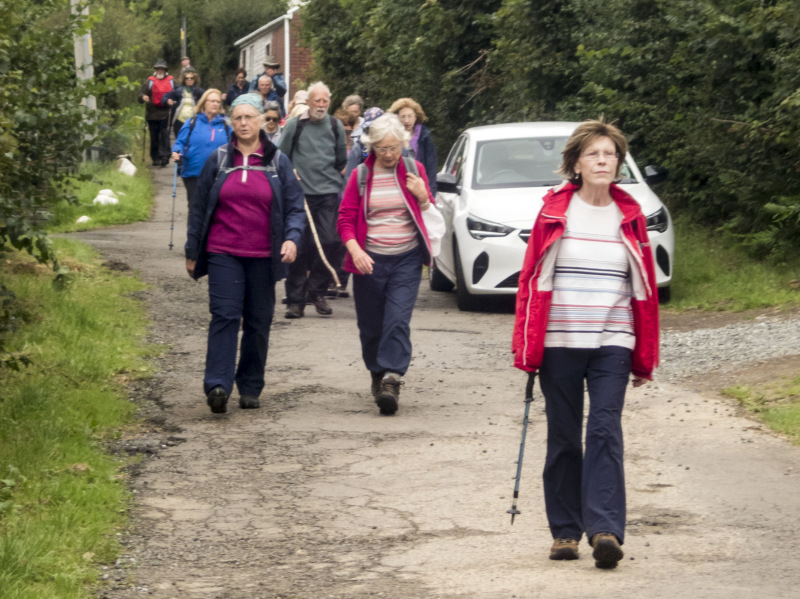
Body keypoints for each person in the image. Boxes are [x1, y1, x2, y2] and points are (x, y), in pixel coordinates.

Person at [511, 119, 660, 569]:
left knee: (604, 430)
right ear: (576, 162)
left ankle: (606, 530)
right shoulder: (555, 212)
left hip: (613, 339)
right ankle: (564, 532)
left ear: (618, 163)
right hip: (560, 341)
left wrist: (644, 356)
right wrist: (526, 346)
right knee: (563, 437)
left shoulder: (630, 216)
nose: (602, 161)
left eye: (610, 154)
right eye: (593, 154)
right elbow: (530, 281)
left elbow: (646, 290)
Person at [185, 93, 306, 414]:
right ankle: (218, 385)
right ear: (231, 122)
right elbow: (198, 209)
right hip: (223, 252)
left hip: (264, 256)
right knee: (224, 315)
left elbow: (295, 207)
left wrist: (292, 238)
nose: (242, 124)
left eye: (248, 118)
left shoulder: (277, 162)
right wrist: (191, 250)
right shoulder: (219, 159)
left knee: (258, 320)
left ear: (261, 122)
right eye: (237, 118)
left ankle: (250, 386)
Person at [338, 113, 445, 416]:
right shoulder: (360, 175)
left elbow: (428, 211)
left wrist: (424, 197)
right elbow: (345, 218)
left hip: (407, 259)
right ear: (371, 147)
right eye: (381, 149)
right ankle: (377, 371)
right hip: (369, 260)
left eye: (393, 148)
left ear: (403, 144)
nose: (387, 155)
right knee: (371, 326)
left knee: (397, 320)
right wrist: (355, 249)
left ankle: (392, 379)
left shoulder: (415, 170)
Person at [279, 81, 347, 319]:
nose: (321, 105)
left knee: (331, 241)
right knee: (299, 246)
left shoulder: (335, 126)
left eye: (325, 101)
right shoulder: (294, 125)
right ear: (308, 101)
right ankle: (296, 301)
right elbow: (281, 157)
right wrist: (292, 173)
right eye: (317, 100)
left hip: (328, 193)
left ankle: (316, 290)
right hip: (301, 195)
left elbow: (341, 160)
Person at [170, 88, 230, 208]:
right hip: (194, 174)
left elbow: (236, 145)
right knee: (196, 209)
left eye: (218, 101)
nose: (215, 104)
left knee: (216, 211)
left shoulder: (226, 125)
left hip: (219, 175)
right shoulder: (191, 122)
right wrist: (177, 152)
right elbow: (179, 143)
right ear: (204, 103)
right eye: (212, 101)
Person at [388, 98, 439, 196]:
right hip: (398, 188)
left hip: (421, 186)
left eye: (410, 116)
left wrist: (430, 192)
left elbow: (431, 167)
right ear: (396, 117)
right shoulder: (392, 137)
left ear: (416, 117)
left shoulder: (425, 136)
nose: (407, 121)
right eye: (403, 117)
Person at [138, 59, 175, 167]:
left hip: (166, 114)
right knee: (154, 137)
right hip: (152, 115)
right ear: (156, 69)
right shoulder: (149, 81)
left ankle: (164, 157)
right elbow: (140, 95)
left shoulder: (172, 81)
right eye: (158, 69)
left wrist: (173, 102)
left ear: (165, 70)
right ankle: (155, 157)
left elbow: (177, 94)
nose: (160, 71)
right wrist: (143, 97)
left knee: (164, 136)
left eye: (162, 69)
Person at [163, 67, 204, 140]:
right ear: (184, 79)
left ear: (195, 79)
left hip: (193, 122)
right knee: (179, 142)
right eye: (187, 78)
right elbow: (165, 97)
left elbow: (207, 100)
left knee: (191, 142)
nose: (189, 80)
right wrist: (167, 100)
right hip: (179, 122)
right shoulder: (178, 90)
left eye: (191, 78)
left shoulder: (199, 91)